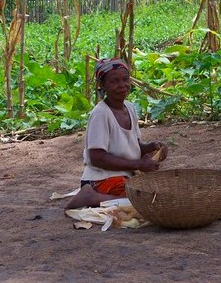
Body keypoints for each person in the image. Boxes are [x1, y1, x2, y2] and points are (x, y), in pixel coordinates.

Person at [65, 57, 166, 209]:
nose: (122, 85)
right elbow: (97, 158)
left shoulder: (130, 107)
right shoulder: (101, 114)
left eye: (125, 79)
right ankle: (91, 197)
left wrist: (151, 148)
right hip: (101, 178)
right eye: (114, 81)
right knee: (144, 201)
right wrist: (138, 164)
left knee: (159, 192)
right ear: (102, 85)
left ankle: (102, 198)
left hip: (125, 176)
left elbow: (131, 147)